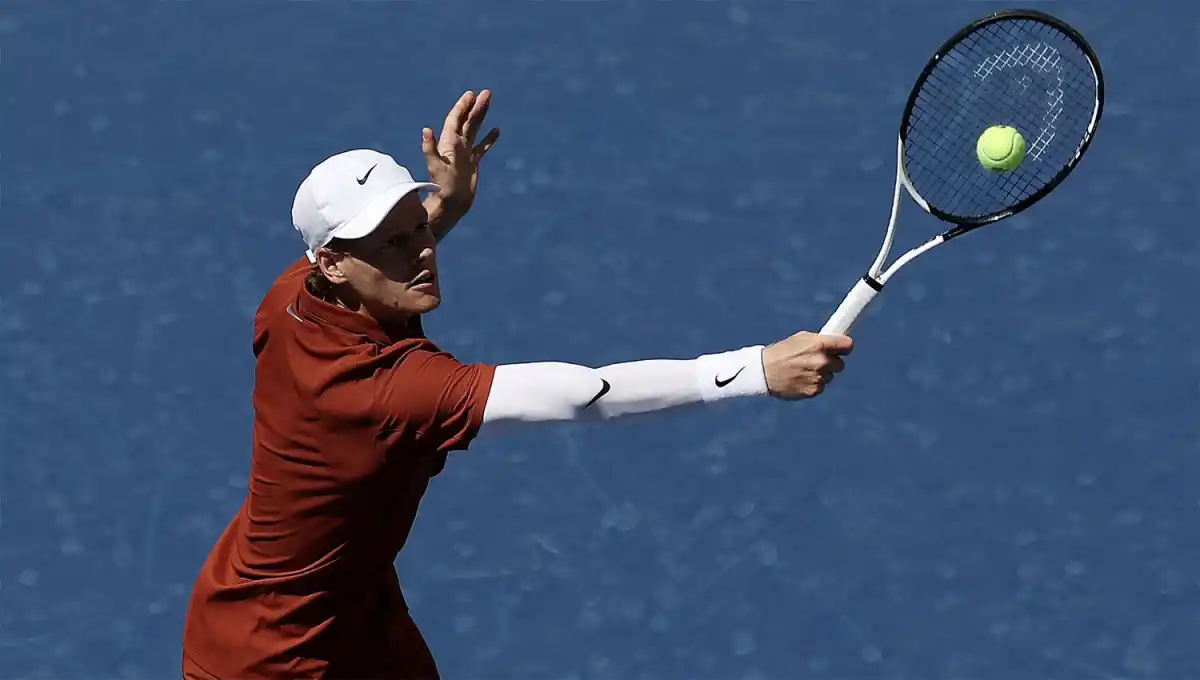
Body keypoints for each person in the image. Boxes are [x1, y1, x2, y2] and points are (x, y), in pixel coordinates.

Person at [180, 89, 854, 679]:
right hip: (271, 659)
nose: (421, 252)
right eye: (392, 243)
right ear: (330, 262)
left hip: (350, 615)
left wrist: (451, 200)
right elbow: (587, 394)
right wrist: (754, 371)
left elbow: (387, 252)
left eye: (419, 229)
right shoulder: (390, 393)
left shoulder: (289, 297)